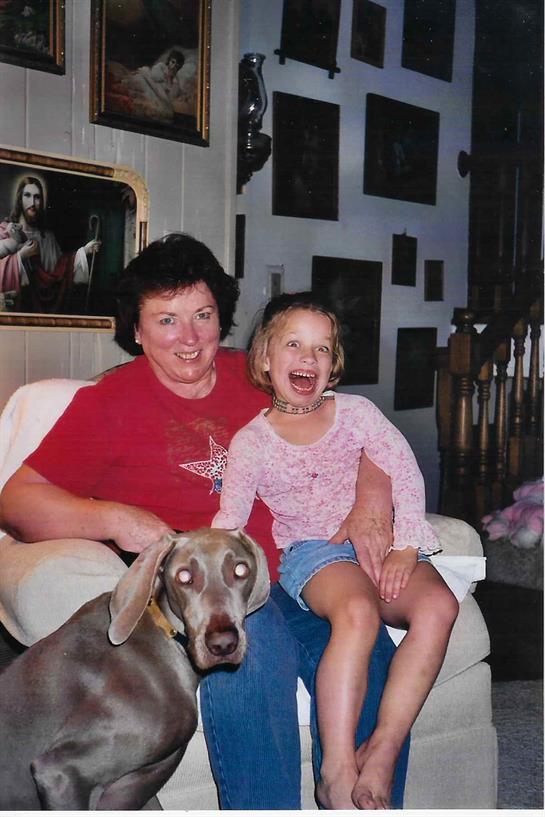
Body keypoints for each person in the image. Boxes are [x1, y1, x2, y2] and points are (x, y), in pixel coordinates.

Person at [0, 232, 409, 809]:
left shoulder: (262, 374)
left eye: (203, 316)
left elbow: (366, 436)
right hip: (221, 587)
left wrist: (371, 502)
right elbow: (17, 499)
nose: (189, 339)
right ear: (136, 331)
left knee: (371, 651)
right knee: (253, 655)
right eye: (166, 320)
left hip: (305, 563)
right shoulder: (109, 404)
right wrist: (117, 519)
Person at [212, 292, 460, 809]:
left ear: (334, 364)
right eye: (294, 345)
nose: (309, 358)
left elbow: (402, 468)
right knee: (357, 611)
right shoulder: (251, 443)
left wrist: (408, 544)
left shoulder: (357, 412)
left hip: (382, 543)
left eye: (322, 349)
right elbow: (230, 522)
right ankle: (338, 767)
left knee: (440, 606)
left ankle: (383, 750)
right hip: (313, 553)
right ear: (266, 358)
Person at [0, 176, 100, 313]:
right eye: (27, 195)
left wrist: (83, 252)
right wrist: (20, 256)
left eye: (37, 197)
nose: (33, 202)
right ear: (20, 198)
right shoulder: (5, 231)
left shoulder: (48, 238)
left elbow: (61, 271)